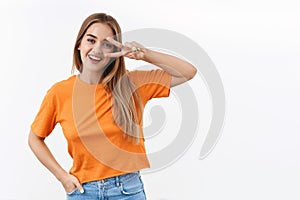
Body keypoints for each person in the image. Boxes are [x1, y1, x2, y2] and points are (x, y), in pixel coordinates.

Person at [28, 13, 196, 200]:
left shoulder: (132, 84)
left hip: (127, 191)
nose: (97, 49)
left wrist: (145, 55)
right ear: (79, 44)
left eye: (107, 44)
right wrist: (62, 177)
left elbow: (188, 72)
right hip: (83, 192)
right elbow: (35, 138)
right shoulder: (59, 93)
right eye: (91, 40)